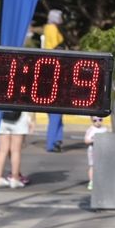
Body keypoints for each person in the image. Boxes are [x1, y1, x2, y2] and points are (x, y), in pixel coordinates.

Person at [42, 9, 66, 152]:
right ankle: (52, 142)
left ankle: (57, 139)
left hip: (50, 69)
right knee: (55, 112)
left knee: (57, 114)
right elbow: (54, 46)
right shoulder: (51, 28)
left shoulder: (49, 28)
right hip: (53, 70)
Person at [0, 109, 31, 188]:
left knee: (2, 150)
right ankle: (15, 178)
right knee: (15, 151)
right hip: (20, 119)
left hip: (4, 118)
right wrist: (32, 120)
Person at [83, 115, 108, 189]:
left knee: (102, 166)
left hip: (102, 150)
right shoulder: (91, 129)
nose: (98, 122)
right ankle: (91, 181)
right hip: (93, 150)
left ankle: (100, 181)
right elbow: (86, 140)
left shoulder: (104, 129)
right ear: (92, 121)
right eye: (95, 120)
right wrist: (95, 140)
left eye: (100, 120)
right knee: (92, 166)